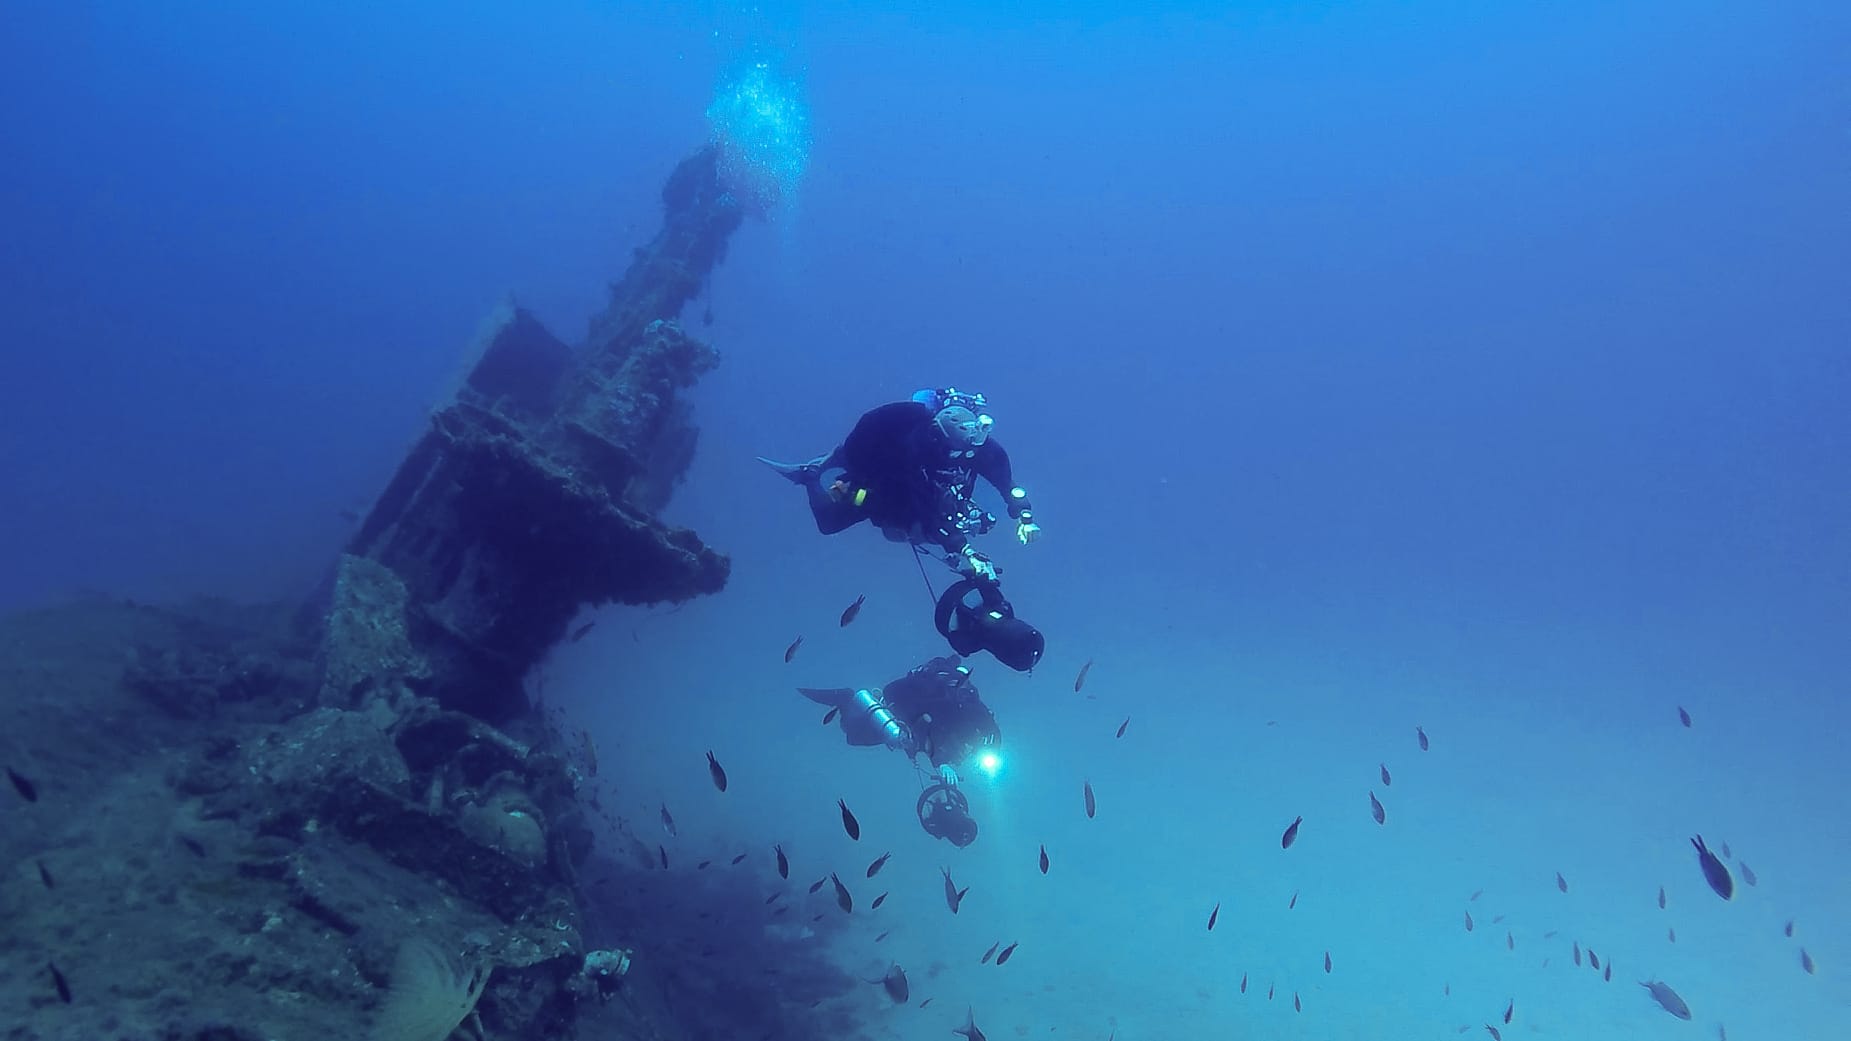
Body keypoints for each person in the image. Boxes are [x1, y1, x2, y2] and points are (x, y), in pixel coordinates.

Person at [760, 387, 1041, 582]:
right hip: (886, 479)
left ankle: (832, 460)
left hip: (922, 494)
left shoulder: (978, 448)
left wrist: (1024, 516)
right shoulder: (912, 450)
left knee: (915, 522)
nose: (956, 459)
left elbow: (1008, 485)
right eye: (950, 451)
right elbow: (926, 510)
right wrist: (964, 549)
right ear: (936, 437)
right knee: (832, 522)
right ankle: (811, 476)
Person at [798, 654, 1001, 847]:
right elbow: (924, 726)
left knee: (863, 737)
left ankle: (856, 702)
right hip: (904, 702)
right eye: (967, 747)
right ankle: (849, 698)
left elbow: (987, 734)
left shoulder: (976, 720)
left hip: (916, 709)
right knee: (858, 736)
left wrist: (980, 758)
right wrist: (941, 762)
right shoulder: (952, 714)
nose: (966, 751)